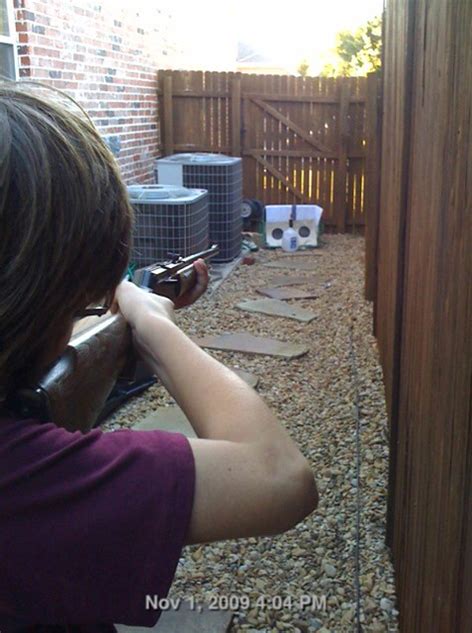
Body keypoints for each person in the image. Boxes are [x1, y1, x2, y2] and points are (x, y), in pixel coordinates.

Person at [0, 83, 318, 633]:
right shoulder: (26, 477)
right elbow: (280, 477)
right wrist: (150, 322)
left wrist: (120, 332)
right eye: (82, 302)